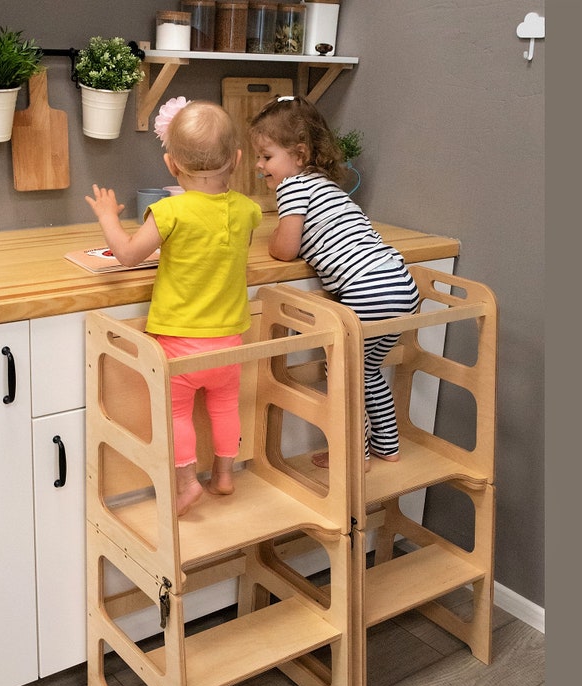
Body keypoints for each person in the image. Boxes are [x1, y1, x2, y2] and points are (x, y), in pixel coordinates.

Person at [85, 98, 262, 515]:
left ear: (171, 165)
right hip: (229, 342)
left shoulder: (170, 211)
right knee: (225, 407)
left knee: (176, 413)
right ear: (237, 160)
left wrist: (108, 217)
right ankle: (224, 476)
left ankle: (187, 484)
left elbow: (128, 255)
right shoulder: (248, 210)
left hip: (179, 344)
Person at [248, 96, 419, 471]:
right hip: (399, 284)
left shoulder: (293, 188)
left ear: (299, 154)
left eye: (266, 156)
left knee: (343, 373)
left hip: (368, 291)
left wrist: (271, 238)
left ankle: (355, 454)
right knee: (367, 370)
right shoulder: (325, 186)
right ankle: (387, 446)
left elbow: (286, 249)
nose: (259, 165)